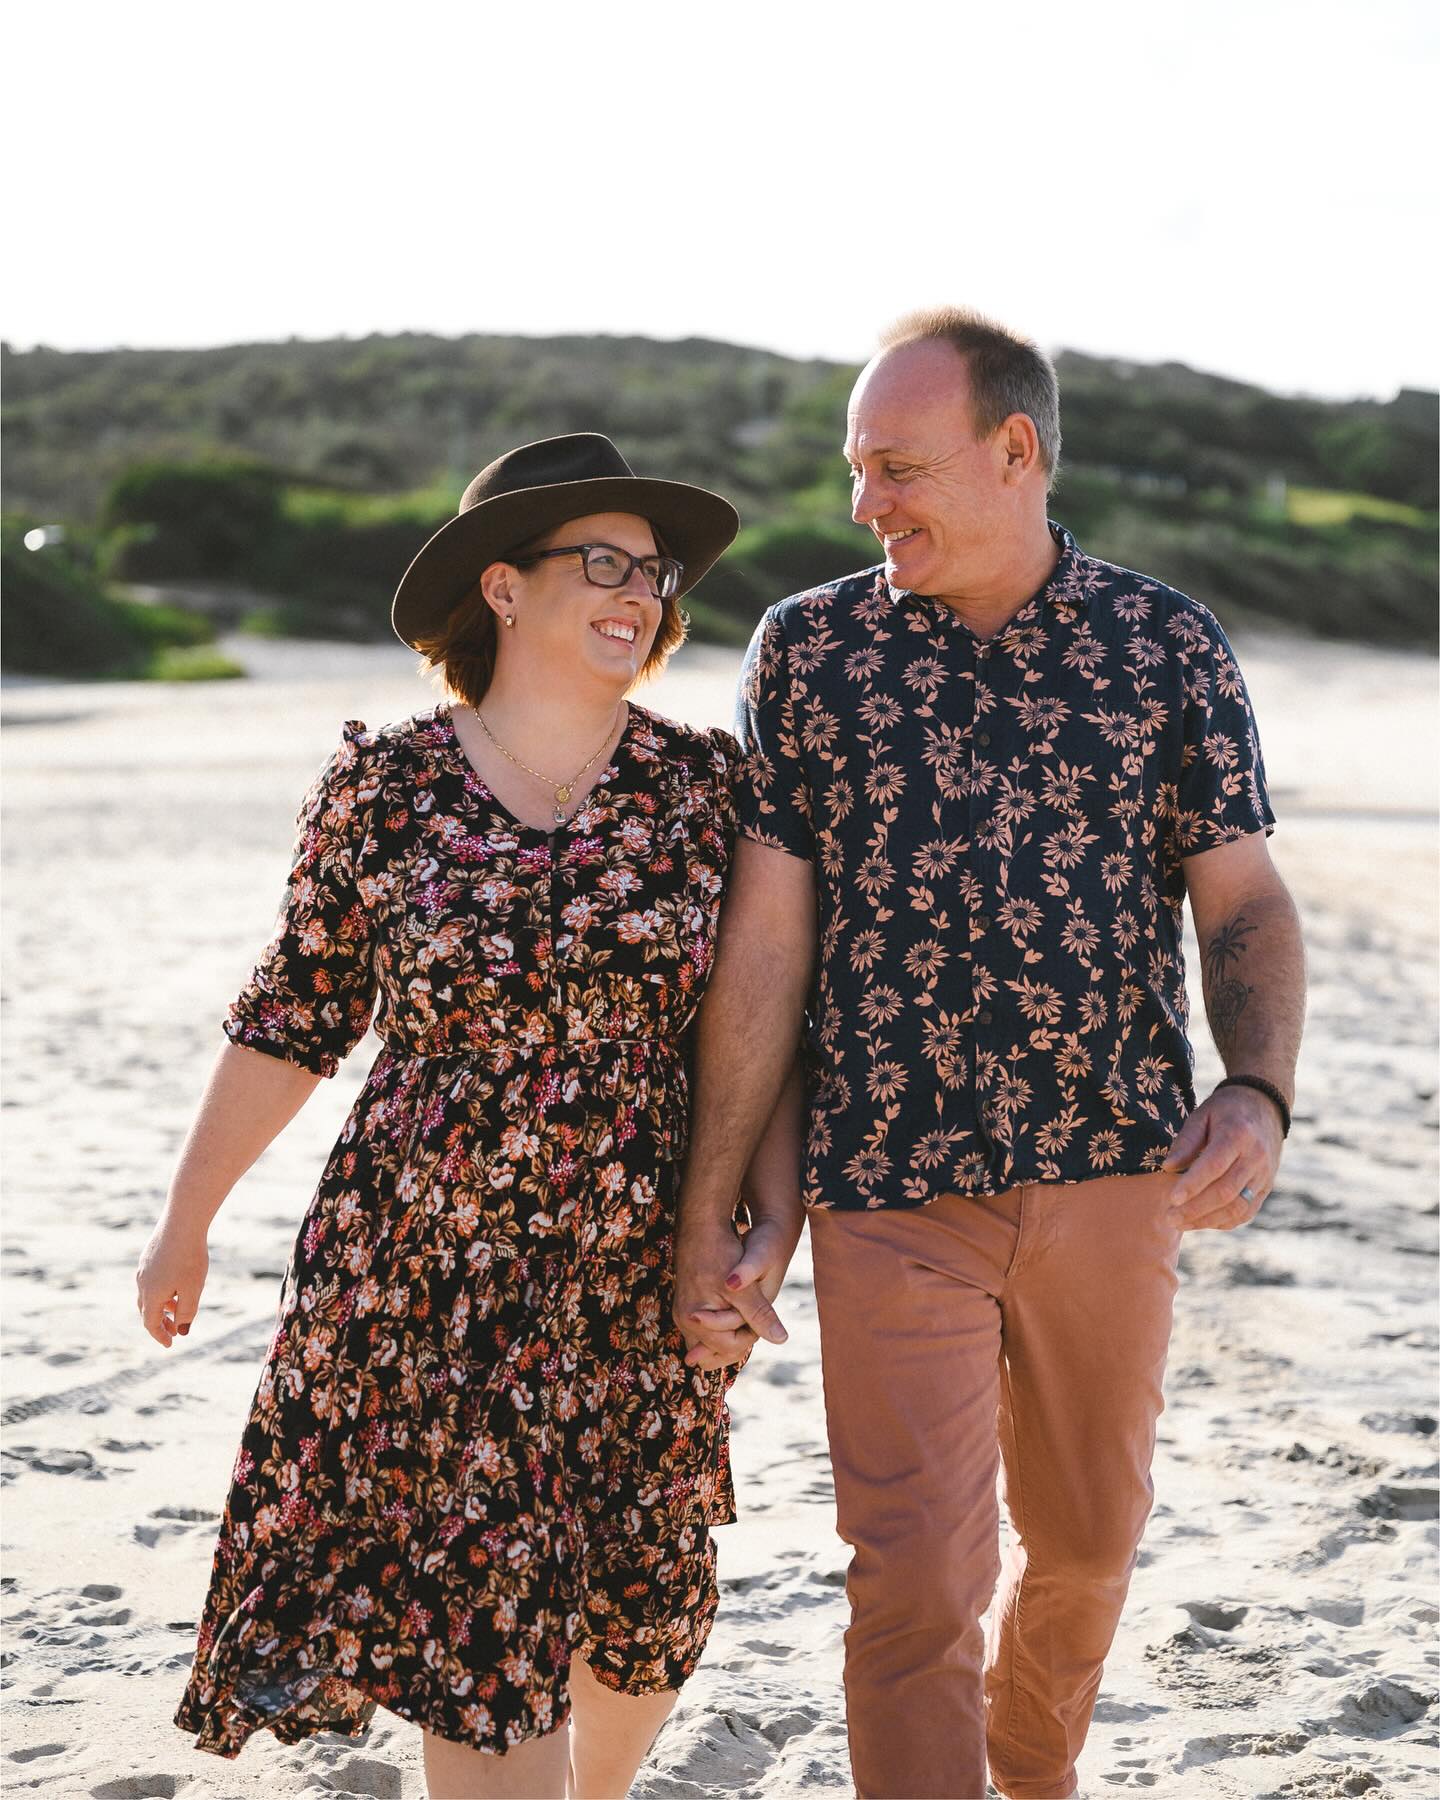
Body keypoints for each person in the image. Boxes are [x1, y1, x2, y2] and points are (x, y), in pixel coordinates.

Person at [674, 309, 1307, 1800]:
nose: (865, 506)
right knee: (912, 1582)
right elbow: (764, 948)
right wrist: (721, 1195)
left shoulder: (1165, 645)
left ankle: (1032, 1771)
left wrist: (1259, 1090)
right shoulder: (810, 651)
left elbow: (1246, 902)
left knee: (1087, 1548)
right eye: (854, 472)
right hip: (888, 1188)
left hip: (1113, 1175)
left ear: (1015, 451)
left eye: (898, 467)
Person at [138, 433, 775, 1799]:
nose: (641, 593)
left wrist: (754, 1229)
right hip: (428, 1275)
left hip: (633, 1269)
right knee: (480, 1644)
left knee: (647, 1622)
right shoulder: (387, 789)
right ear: (500, 584)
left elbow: (765, 1035)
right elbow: (296, 1014)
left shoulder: (707, 794)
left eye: (655, 574)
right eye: (602, 561)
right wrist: (185, 1220)